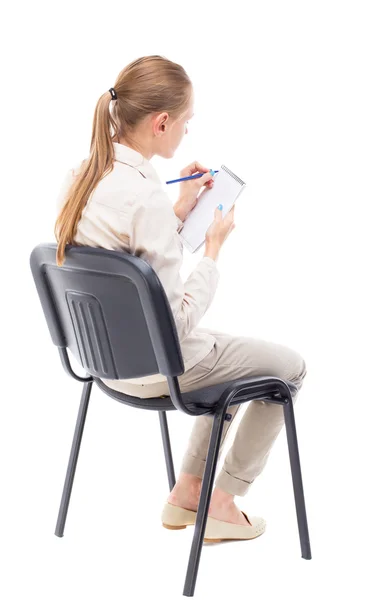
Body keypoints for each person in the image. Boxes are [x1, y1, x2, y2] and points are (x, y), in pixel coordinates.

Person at [54, 54, 307, 543]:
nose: (186, 132)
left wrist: (179, 211)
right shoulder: (142, 195)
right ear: (161, 121)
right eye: (186, 122)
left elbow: (126, 261)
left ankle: (187, 492)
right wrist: (212, 251)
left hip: (101, 364)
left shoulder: (80, 177)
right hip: (159, 370)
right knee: (287, 370)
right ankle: (223, 499)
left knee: (233, 357)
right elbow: (177, 322)